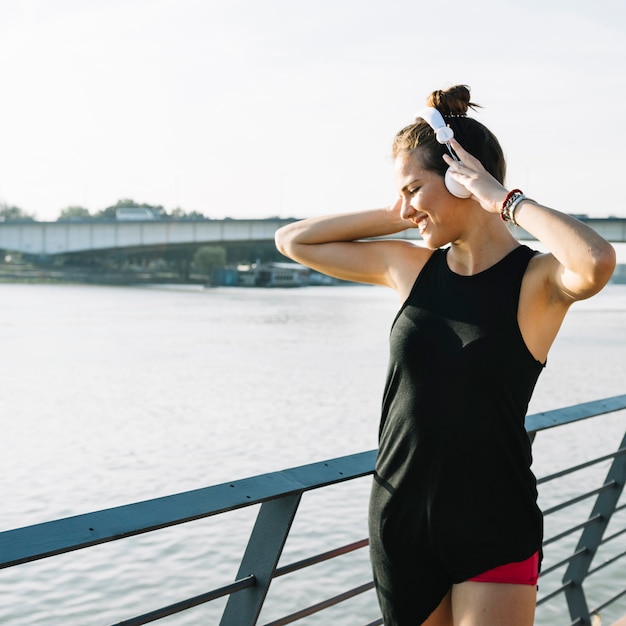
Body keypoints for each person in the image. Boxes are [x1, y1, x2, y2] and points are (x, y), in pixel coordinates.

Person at [274, 84, 616, 626]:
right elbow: (294, 241)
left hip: (492, 519)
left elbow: (596, 260)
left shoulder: (536, 281)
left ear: (464, 179)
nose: (408, 206)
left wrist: (503, 198)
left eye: (415, 187)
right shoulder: (410, 269)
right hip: (399, 518)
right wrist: (406, 210)